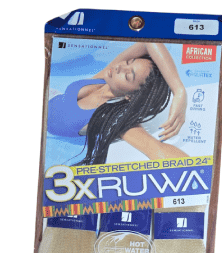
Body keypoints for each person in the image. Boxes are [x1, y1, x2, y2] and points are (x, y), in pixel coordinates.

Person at [47, 42, 188, 164]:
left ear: (130, 96)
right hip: (49, 96)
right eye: (128, 62)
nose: (120, 67)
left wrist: (197, 173)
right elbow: (149, 43)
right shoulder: (104, 78)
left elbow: (156, 149)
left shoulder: (111, 117)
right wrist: (179, 91)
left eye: (127, 75)